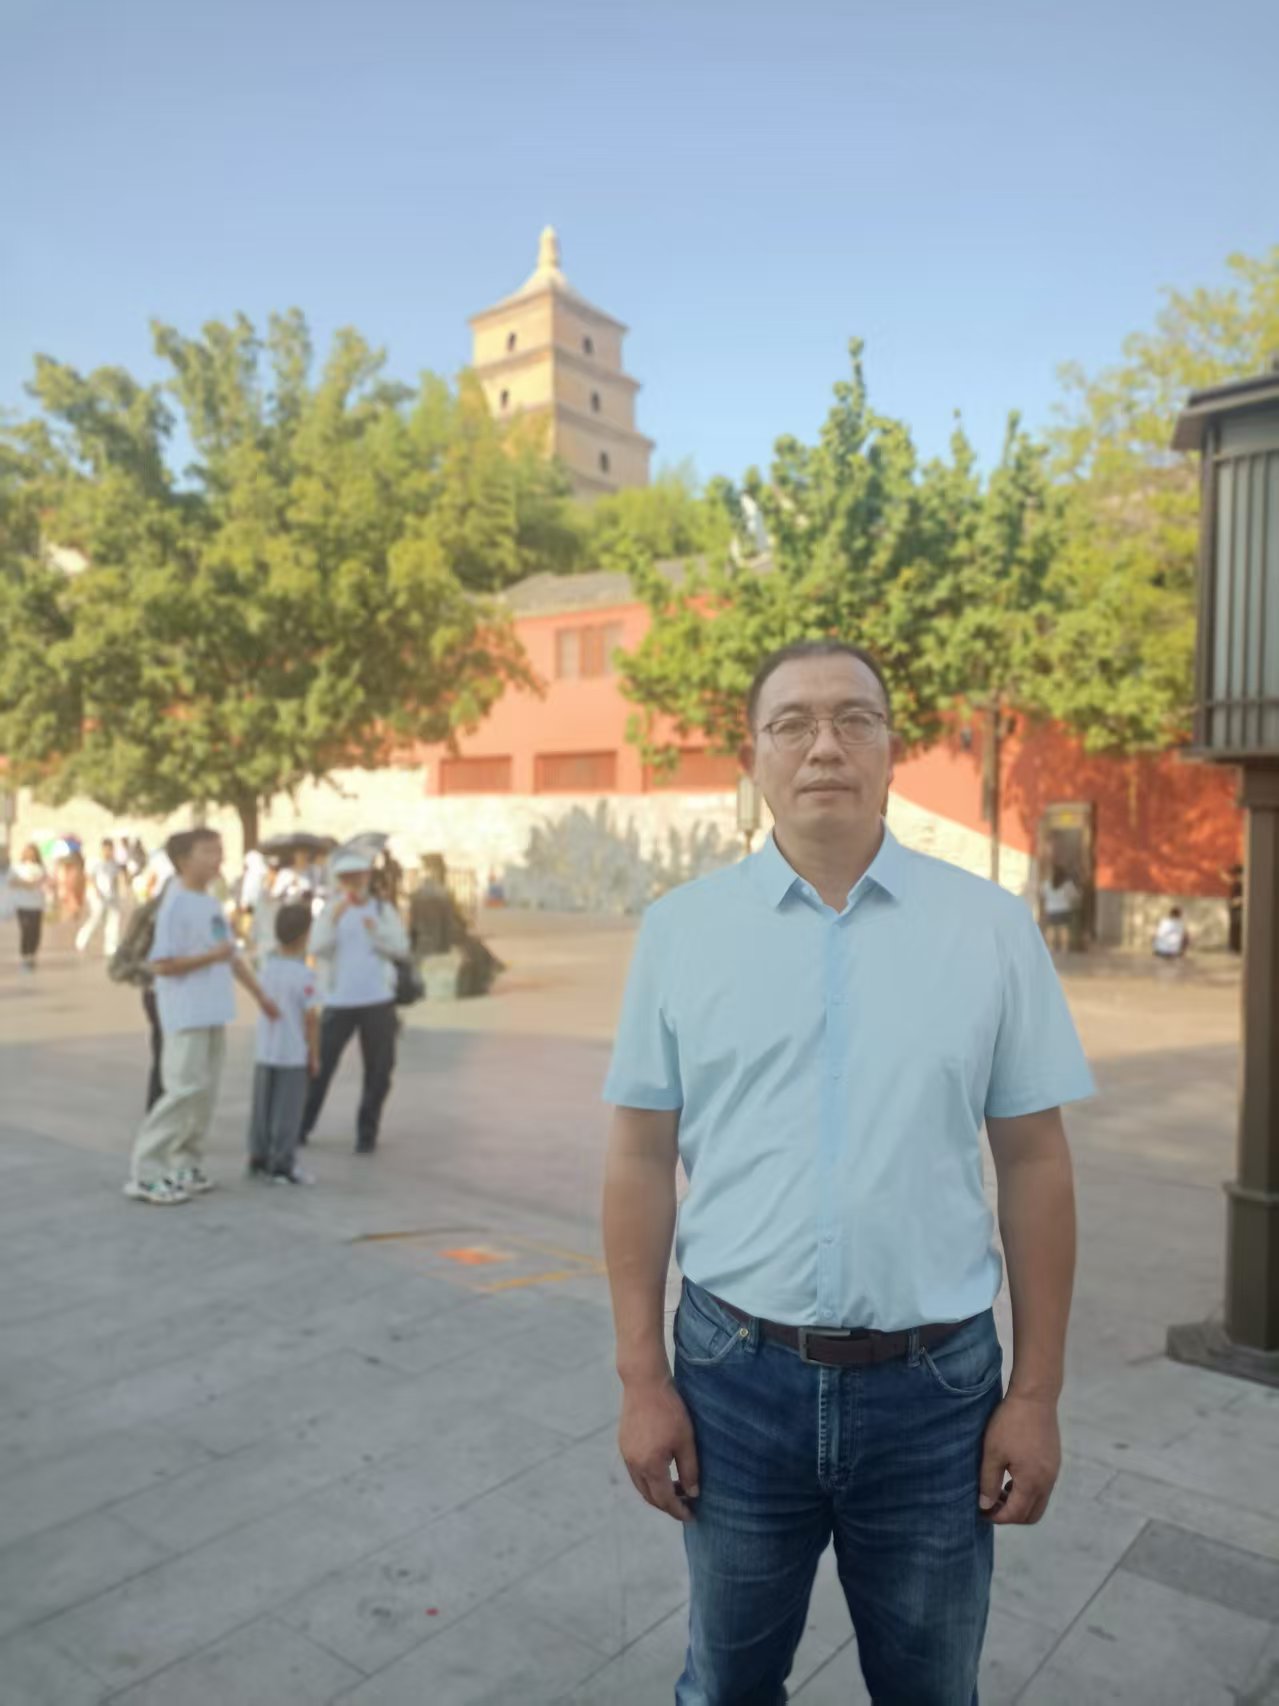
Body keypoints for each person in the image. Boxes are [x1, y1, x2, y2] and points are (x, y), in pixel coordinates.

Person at [602, 639, 1094, 1706]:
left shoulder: (988, 928)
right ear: (754, 753)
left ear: (890, 748)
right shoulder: (681, 931)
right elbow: (638, 1157)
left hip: (937, 1397)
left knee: (930, 1689)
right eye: (791, 722)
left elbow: (1034, 1161)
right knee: (727, 1683)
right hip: (733, 1382)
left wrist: (1036, 1394)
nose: (823, 744)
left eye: (852, 718)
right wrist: (642, 1379)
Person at [125, 828, 279, 1206]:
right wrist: (211, 957)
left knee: (204, 1096)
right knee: (182, 1091)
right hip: (185, 1011)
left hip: (212, 1009)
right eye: (208, 851)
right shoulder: (175, 904)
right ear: (183, 860)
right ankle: (147, 1171)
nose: (217, 859)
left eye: (219, 850)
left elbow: (229, 954)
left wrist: (260, 995)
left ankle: (185, 1163)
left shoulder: (209, 902)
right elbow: (163, 964)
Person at [299, 849, 408, 1155]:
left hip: (378, 999)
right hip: (339, 999)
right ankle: (302, 1125)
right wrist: (333, 921)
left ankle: (367, 1132)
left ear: (367, 878)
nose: (353, 885)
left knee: (379, 1070)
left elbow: (401, 948)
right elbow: (315, 948)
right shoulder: (330, 911)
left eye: (357, 878)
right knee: (321, 1066)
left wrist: (377, 931)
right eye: (346, 879)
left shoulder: (383, 910)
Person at [247, 902, 322, 1184]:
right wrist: (314, 1053)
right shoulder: (305, 976)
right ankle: (282, 1164)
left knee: (262, 1107)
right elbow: (311, 1018)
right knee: (287, 1109)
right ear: (305, 936)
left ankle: (258, 1156)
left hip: (265, 1049)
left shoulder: (266, 969)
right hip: (292, 1052)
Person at [76, 836, 125, 956]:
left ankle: (111, 946)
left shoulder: (114, 863)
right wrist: (96, 890)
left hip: (111, 895)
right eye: (106, 849)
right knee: (96, 918)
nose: (108, 852)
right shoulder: (95, 862)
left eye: (110, 849)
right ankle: (82, 939)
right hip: (97, 895)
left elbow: (116, 878)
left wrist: (119, 891)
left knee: (114, 919)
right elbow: (89, 877)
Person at [8, 844, 48, 972]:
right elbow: (12, 882)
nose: (30, 855)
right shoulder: (17, 868)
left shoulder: (41, 868)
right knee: (26, 930)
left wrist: (29, 884)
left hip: (36, 905)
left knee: (35, 931)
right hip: (22, 904)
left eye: (32, 852)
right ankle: (25, 956)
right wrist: (26, 884)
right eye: (28, 852)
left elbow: (42, 882)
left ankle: (32, 954)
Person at [1038, 864, 1080, 954]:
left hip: (1051, 909)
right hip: (1064, 909)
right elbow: (1074, 895)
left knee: (1050, 928)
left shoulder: (1047, 884)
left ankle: (1050, 947)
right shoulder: (1067, 884)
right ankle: (1064, 948)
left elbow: (1042, 894)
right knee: (1063, 928)